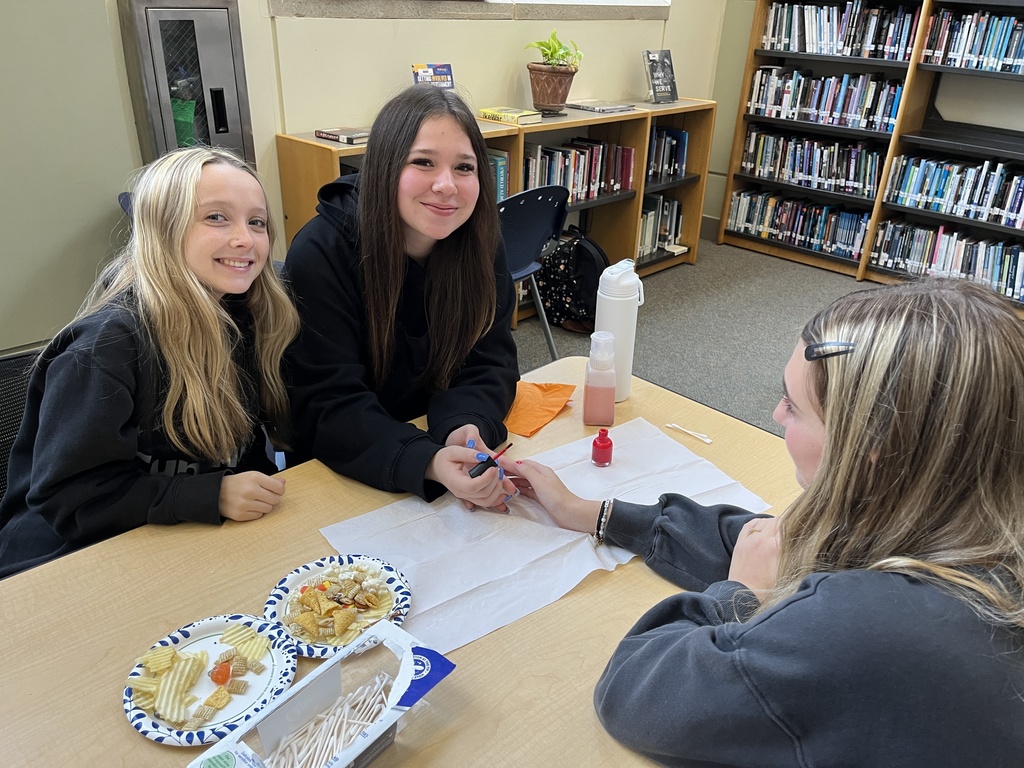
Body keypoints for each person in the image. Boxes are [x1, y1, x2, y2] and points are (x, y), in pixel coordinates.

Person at [499, 278, 1024, 766]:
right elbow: (766, 541)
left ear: (872, 446)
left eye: (795, 407)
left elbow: (638, 694)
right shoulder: (966, 521)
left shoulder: (871, 625)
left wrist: (738, 595)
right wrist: (592, 514)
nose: (776, 414)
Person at [0, 147, 300, 579]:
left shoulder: (243, 321)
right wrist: (208, 496)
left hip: (178, 537)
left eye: (256, 222)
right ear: (163, 229)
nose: (245, 239)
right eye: (216, 217)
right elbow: (70, 500)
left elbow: (245, 456)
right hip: (63, 563)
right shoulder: (105, 347)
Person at [284, 84, 519, 510]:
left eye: (465, 168)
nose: (447, 185)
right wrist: (427, 461)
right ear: (384, 167)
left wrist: (464, 429)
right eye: (423, 162)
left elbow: (490, 361)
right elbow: (327, 404)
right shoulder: (320, 253)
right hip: (342, 473)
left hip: (437, 457)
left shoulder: (481, 243)